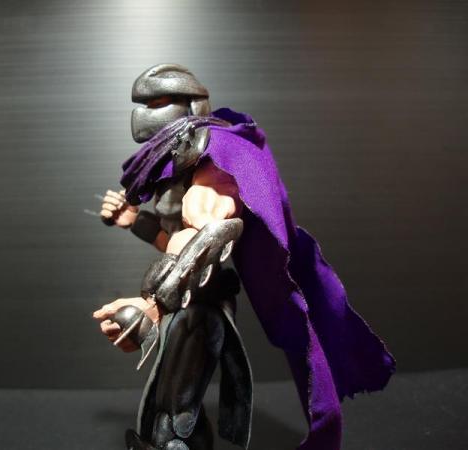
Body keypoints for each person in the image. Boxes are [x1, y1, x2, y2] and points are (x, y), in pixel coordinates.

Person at [93, 64, 395, 450]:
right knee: (165, 412)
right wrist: (135, 221)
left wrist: (152, 306)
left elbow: (209, 235)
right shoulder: (177, 171)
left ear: (189, 108)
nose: (147, 113)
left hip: (202, 311)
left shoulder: (215, 164)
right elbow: (173, 241)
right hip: (183, 307)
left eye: (159, 103)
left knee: (173, 421)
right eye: (147, 104)